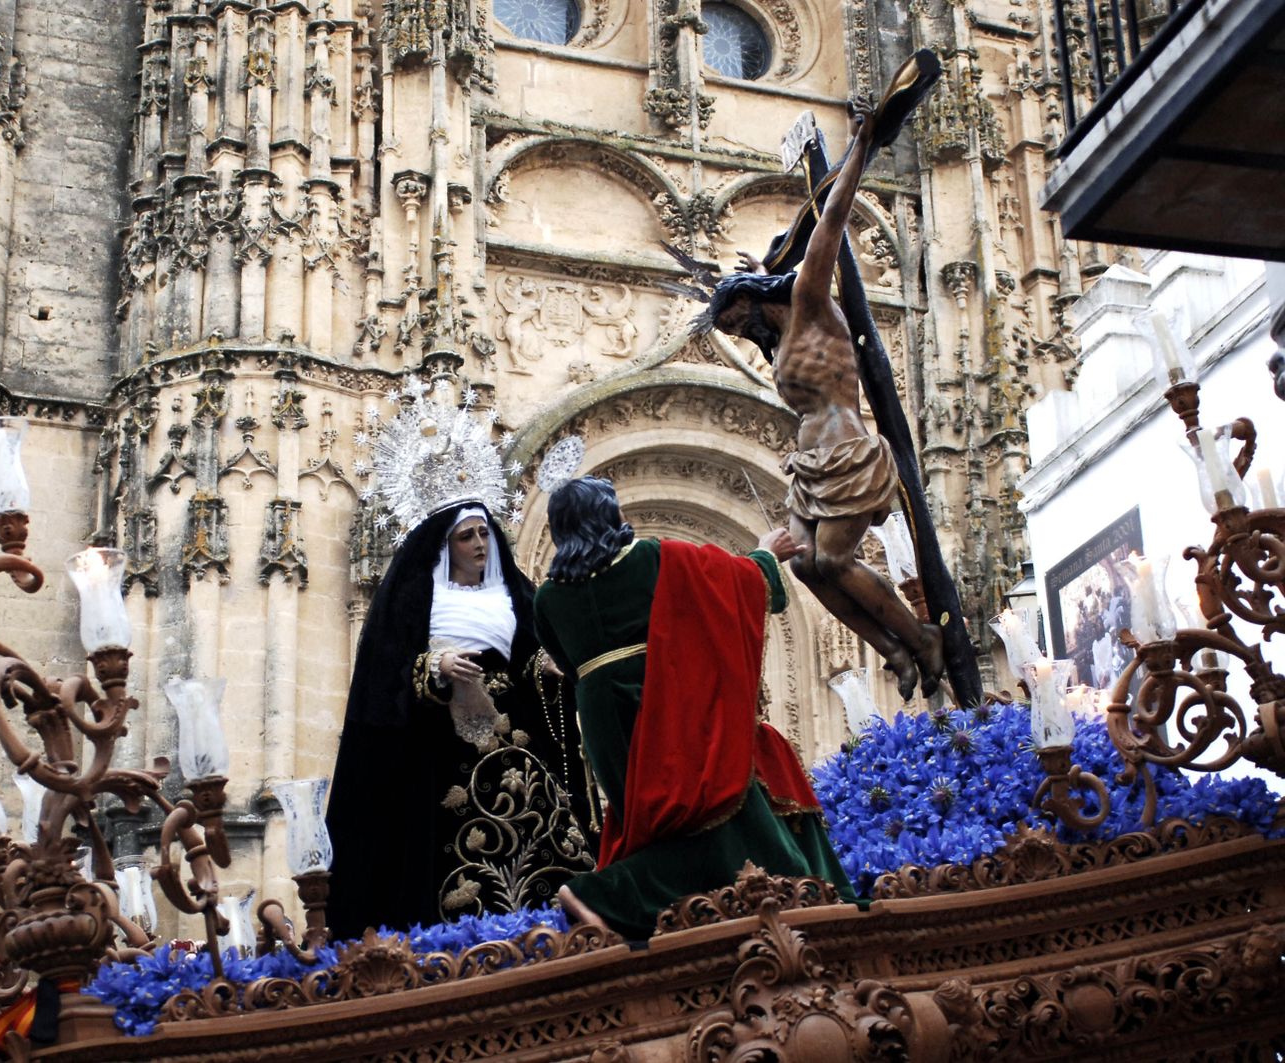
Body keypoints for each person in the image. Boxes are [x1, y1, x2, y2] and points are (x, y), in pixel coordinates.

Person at [533, 477, 856, 939]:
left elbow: (565, 663)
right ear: (608, 515)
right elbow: (729, 583)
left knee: (655, 824)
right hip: (664, 696)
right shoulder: (651, 557)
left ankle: (681, 917)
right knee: (708, 808)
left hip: (603, 718)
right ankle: (605, 894)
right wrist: (766, 553)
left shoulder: (548, 597)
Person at [700, 104, 944, 701]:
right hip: (809, 464)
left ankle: (920, 636)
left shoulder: (810, 302)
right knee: (804, 563)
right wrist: (764, 267)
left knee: (833, 561)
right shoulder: (781, 337)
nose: (742, 334)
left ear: (755, 298)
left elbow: (831, 219)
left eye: (739, 321)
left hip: (845, 451)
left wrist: (861, 145)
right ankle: (893, 648)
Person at [326, 502, 597, 937]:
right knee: (451, 835)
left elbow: (527, 655)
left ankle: (556, 920)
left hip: (518, 741)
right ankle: (464, 935)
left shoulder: (512, 595)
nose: (479, 544)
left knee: (542, 824)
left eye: (484, 533)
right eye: (466, 536)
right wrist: (437, 666)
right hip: (446, 746)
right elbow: (386, 671)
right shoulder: (419, 597)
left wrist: (544, 665)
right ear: (445, 546)